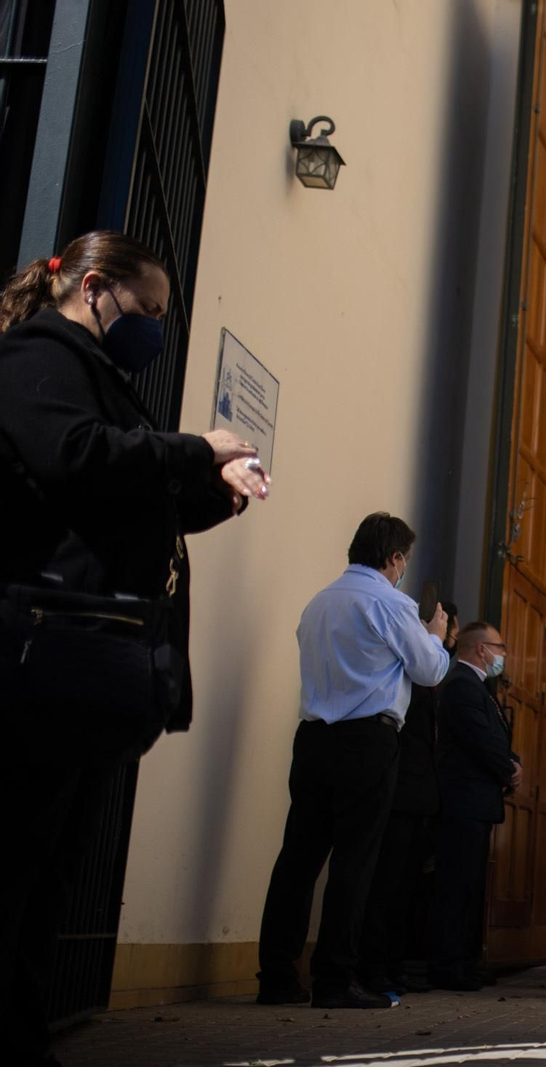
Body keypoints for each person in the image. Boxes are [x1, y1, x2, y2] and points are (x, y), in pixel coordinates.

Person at [0, 231, 267, 1065]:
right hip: (40, 649)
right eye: (146, 308)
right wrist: (196, 450)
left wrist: (214, 496)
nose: (153, 325)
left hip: (83, 655)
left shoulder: (104, 380)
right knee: (20, 854)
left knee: (53, 861)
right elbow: (72, 456)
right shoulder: (37, 358)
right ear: (91, 287)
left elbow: (126, 494)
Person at [256, 513, 450, 1009]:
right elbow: (428, 671)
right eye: (403, 557)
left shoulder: (319, 602)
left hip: (313, 738)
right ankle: (333, 981)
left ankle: (277, 979)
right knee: (353, 862)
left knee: (296, 861)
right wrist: (434, 635)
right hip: (368, 740)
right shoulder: (392, 603)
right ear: (394, 559)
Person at [360, 600, 458, 995]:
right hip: (401, 789)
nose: (449, 640)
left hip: (422, 795)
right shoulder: (413, 671)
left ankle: (394, 963)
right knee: (387, 883)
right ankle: (374, 966)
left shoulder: (438, 676)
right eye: (445, 631)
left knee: (407, 887)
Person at [430, 621, 520, 989]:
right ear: (481, 649)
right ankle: (448, 966)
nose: (503, 655)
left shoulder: (477, 688)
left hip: (476, 802)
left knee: (470, 886)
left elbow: (494, 736)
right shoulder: (462, 686)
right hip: (463, 802)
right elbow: (480, 739)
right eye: (499, 648)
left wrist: (510, 760)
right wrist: (508, 768)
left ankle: (463, 963)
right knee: (457, 886)